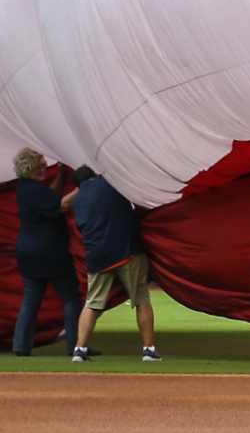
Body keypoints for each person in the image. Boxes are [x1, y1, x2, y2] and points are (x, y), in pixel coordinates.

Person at [65, 167, 158, 362]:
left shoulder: (78, 199)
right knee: (141, 299)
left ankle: (79, 349)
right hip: (126, 252)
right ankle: (149, 350)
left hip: (97, 256)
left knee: (91, 303)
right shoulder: (111, 183)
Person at [11, 150, 82, 357]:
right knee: (71, 298)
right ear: (30, 167)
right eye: (40, 164)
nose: (44, 167)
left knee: (31, 301)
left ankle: (21, 346)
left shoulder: (24, 188)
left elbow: (49, 198)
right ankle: (75, 345)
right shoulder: (36, 190)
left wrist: (61, 176)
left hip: (27, 252)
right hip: (50, 252)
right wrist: (84, 187)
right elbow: (60, 205)